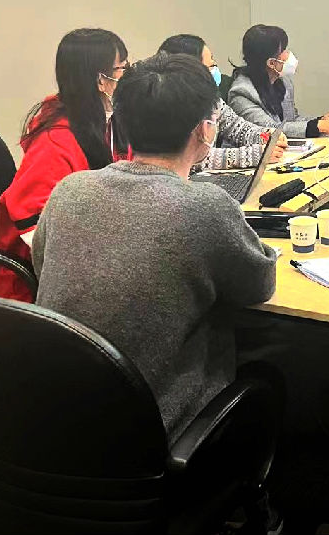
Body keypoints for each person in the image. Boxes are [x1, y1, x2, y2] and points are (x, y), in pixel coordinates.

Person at [32, 51, 279, 442]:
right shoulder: (206, 206)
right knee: (270, 365)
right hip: (150, 429)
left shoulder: (69, 190)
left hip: (58, 414)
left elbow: (42, 264)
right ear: (205, 131)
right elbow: (258, 286)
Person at [0, 28, 129, 302]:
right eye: (122, 68)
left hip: (89, 257)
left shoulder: (101, 123)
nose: (128, 75)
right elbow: (40, 234)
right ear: (100, 80)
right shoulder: (54, 143)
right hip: (37, 282)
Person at [158, 34, 287, 169]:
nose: (215, 69)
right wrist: (253, 155)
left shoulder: (212, 100)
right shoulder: (165, 106)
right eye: (210, 66)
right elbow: (188, 157)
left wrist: (267, 135)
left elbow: (237, 128)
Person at [227, 24, 329, 138]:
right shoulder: (242, 92)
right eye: (283, 50)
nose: (288, 54)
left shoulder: (283, 82)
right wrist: (318, 126)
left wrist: (321, 121)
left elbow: (292, 120)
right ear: (271, 63)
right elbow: (269, 129)